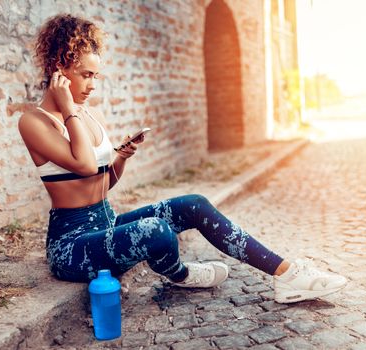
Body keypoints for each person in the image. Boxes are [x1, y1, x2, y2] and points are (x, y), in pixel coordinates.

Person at [17, 14, 347, 304]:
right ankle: (181, 273)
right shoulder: (35, 122)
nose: (92, 85)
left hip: (108, 225)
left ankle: (286, 274)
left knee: (194, 203)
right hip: (71, 246)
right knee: (156, 230)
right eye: (85, 74)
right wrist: (69, 109)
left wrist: (120, 158)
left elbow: (103, 183)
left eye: (95, 76)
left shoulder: (90, 114)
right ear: (59, 67)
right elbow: (86, 165)